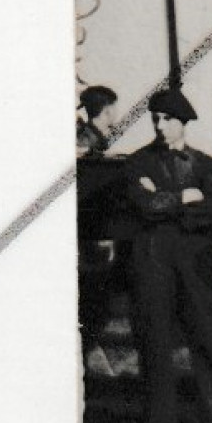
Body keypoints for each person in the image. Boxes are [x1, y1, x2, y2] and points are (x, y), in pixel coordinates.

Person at [121, 87, 212, 423]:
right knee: (155, 342)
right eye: (155, 118)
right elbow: (144, 205)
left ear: (183, 123)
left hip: (196, 263)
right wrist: (185, 198)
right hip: (153, 261)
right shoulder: (138, 163)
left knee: (209, 341)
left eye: (167, 119)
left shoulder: (204, 165)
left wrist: (164, 201)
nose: (160, 125)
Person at [77, 85, 123, 370]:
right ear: (106, 110)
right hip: (92, 236)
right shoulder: (89, 143)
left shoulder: (90, 138)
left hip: (92, 235)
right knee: (95, 303)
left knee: (96, 303)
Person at [76, 84, 119, 157]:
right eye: (114, 106)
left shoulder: (87, 133)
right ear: (108, 110)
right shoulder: (90, 140)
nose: (116, 110)